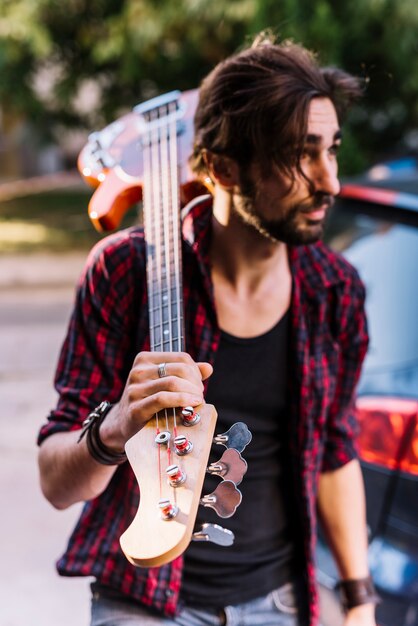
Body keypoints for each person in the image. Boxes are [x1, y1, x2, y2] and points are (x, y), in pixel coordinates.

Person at [37, 33, 379, 626]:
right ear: (222, 167)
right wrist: (115, 427)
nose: (329, 181)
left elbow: (335, 451)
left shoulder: (335, 291)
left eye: (332, 149)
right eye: (302, 155)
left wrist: (358, 599)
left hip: (282, 601)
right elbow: (55, 481)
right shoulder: (127, 271)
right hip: (142, 600)